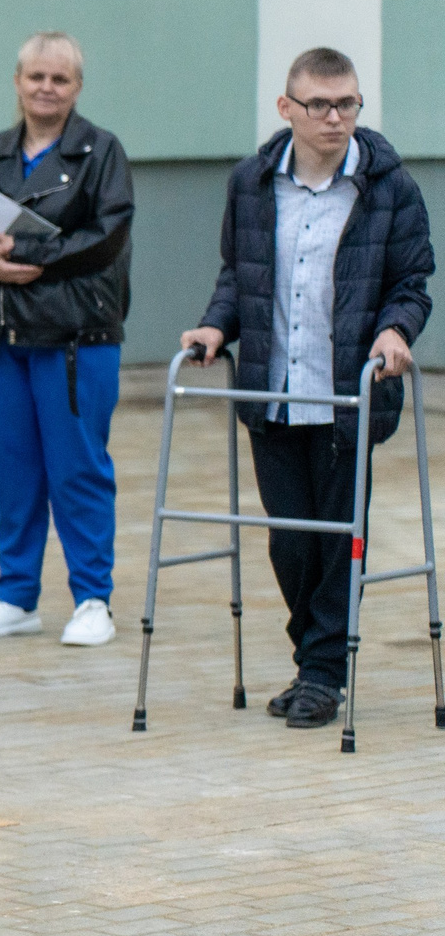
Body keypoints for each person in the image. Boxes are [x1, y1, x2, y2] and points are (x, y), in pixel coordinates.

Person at [181, 47, 432, 730]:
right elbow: (241, 273)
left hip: (349, 393)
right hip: (274, 390)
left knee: (340, 537)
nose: (334, 117)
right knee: (290, 541)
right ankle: (314, 659)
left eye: (346, 103)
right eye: (319, 104)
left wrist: (395, 332)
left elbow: (411, 282)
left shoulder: (388, 186)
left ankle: (322, 672)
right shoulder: (253, 182)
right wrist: (213, 327)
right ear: (286, 107)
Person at [0, 31, 135, 647]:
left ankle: (93, 599)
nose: (46, 89)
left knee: (77, 468)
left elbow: (106, 236)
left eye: (60, 79)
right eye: (36, 77)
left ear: (77, 87)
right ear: (17, 82)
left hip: (75, 336)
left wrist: (26, 253)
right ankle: (16, 595)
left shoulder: (101, 153)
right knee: (11, 469)